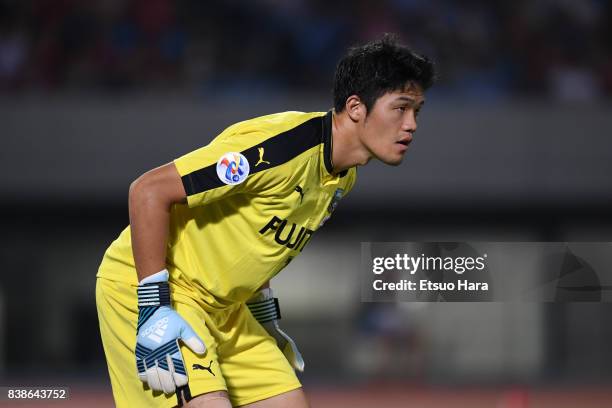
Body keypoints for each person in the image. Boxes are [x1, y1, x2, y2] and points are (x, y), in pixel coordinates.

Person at [96, 34, 435, 408]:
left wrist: (265, 317)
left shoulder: (344, 176)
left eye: (417, 111)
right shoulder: (279, 147)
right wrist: (153, 305)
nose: (412, 124)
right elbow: (147, 191)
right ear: (356, 107)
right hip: (160, 290)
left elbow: (259, 242)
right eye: (401, 108)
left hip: (225, 309)